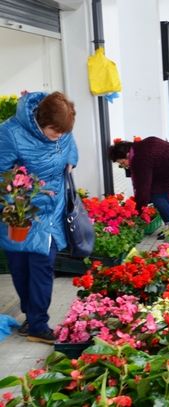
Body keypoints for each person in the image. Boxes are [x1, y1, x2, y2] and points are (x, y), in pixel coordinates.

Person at [0, 91, 78, 344]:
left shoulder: (63, 129)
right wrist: (19, 195)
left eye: (63, 131)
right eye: (55, 131)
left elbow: (70, 149)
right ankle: (32, 317)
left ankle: (38, 324)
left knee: (42, 264)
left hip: (52, 209)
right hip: (20, 210)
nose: (60, 135)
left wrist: (71, 161)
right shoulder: (10, 133)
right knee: (20, 266)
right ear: (39, 121)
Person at [108, 137, 169, 232]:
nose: (124, 166)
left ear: (127, 154)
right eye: (121, 166)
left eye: (123, 163)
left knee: (155, 193)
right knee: (159, 190)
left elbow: (142, 189)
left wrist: (137, 211)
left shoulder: (140, 158)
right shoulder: (140, 147)